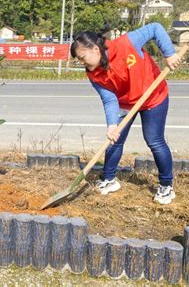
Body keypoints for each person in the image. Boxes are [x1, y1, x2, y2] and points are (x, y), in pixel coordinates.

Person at [70, 23, 181, 204]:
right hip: (125, 102)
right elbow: (109, 99)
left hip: (153, 96)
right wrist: (112, 125)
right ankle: (109, 179)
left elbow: (155, 28)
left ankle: (166, 186)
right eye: (78, 60)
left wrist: (169, 53)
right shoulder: (94, 74)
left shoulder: (126, 43)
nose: (81, 63)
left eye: (82, 57)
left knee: (154, 140)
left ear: (95, 49)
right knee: (115, 139)